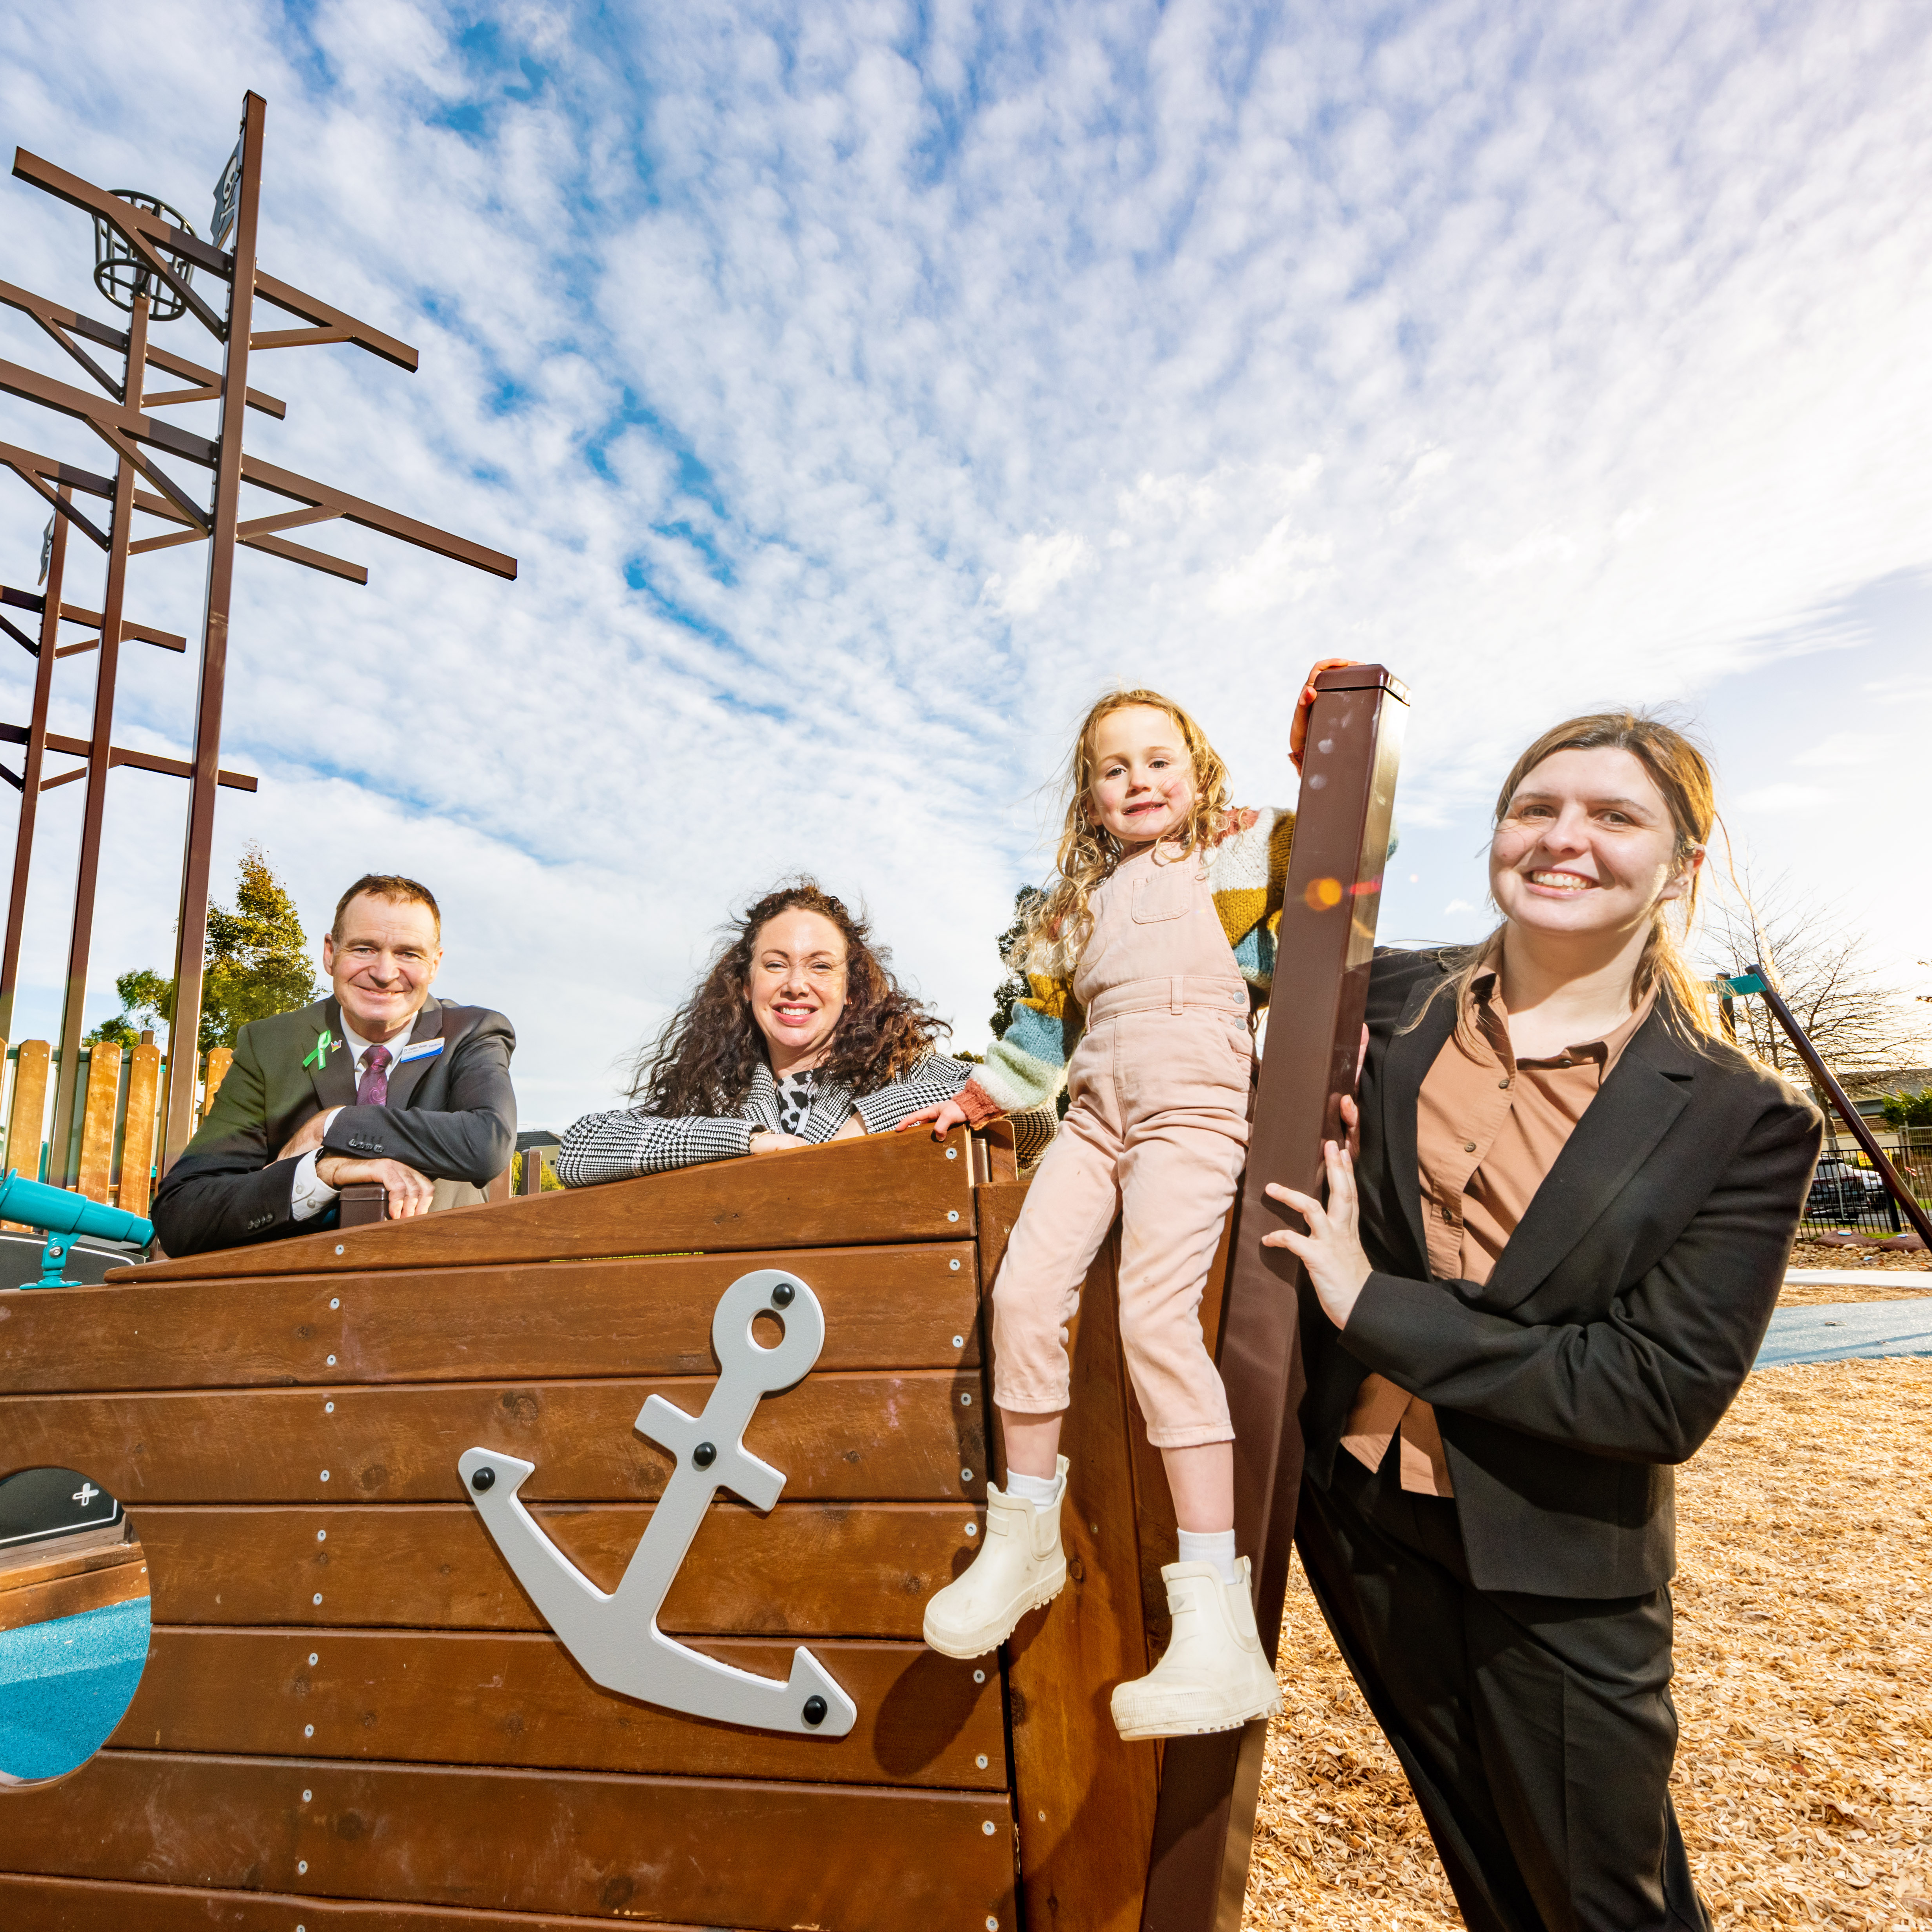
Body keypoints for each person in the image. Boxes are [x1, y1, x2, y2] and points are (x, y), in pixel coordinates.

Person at [1259, 712, 1820, 1932]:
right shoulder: (1386, 998)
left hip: (1553, 1554)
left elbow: (1652, 1389)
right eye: (1535, 808)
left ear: (1680, 866)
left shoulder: (1738, 1114)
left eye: (1613, 815)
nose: (1563, 837)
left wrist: (1367, 1301)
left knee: (1599, 1899)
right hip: (1359, 1513)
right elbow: (1151, 995)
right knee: (1478, 1853)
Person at [919, 687, 1295, 1741]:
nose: (1140, 782)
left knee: (1152, 1323)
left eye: (1159, 761)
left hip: (1196, 1108)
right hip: (1094, 1120)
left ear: (1199, 769)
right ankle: (1026, 1532)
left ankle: (1215, 1619)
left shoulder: (1233, 859)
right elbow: (1037, 1047)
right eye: (1115, 767)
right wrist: (977, 1098)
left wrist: (1324, 756)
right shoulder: (1067, 911)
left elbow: (1356, 844)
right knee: (1024, 1295)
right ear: (1089, 796)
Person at [553, 880, 1018, 1185]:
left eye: (820, 966)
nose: (796, 984)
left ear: (850, 990)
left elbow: (1034, 1119)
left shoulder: (901, 1068)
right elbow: (578, 1150)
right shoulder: (718, 1093)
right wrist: (748, 1141)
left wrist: (864, 1123)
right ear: (746, 985)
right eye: (775, 964)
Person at [151, 873, 516, 1256]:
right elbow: (182, 1216)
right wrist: (320, 1171)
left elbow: (487, 1143)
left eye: (408, 953)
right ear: (330, 952)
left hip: (444, 1287)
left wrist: (333, 1125)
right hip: (299, 1298)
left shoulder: (472, 1033)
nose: (384, 972)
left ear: (435, 964)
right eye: (364, 949)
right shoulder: (271, 1045)